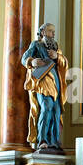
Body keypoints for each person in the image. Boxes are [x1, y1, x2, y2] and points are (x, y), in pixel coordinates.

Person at [21, 22, 67, 150]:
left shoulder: (56, 47)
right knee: (46, 107)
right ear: (43, 32)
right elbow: (24, 58)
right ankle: (42, 140)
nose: (53, 33)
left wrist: (57, 56)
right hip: (43, 81)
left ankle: (54, 141)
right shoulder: (36, 44)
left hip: (56, 82)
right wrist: (32, 61)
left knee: (56, 111)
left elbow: (64, 63)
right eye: (50, 31)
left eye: (54, 31)